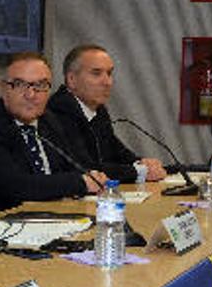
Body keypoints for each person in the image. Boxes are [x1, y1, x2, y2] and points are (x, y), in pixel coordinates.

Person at [0, 52, 107, 218]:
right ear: (4, 89)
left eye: (40, 85)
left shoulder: (48, 120)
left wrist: (90, 178)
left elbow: (72, 166)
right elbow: (16, 186)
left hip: (44, 219)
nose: (31, 95)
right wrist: (81, 183)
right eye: (20, 84)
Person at [47, 45, 167, 184]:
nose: (107, 82)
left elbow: (116, 151)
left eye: (109, 73)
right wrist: (140, 171)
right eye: (96, 73)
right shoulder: (60, 109)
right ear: (72, 79)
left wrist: (141, 162)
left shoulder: (99, 110)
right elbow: (85, 167)